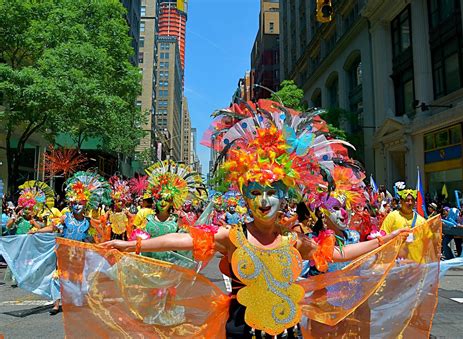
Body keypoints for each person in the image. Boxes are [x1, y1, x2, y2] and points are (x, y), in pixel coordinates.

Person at [102, 100, 410, 337]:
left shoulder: (294, 240)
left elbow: (340, 253)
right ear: (246, 195)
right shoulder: (231, 236)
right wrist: (130, 247)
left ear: (284, 195)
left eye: (271, 192)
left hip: (287, 331)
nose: (264, 200)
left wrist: (386, 240)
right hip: (241, 331)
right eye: (255, 192)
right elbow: (179, 239)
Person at [33, 171, 111, 314]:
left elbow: (91, 238)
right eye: (74, 203)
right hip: (63, 252)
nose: (77, 206)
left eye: (80, 203)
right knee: (58, 276)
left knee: (77, 278)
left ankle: (76, 301)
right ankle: (56, 304)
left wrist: (101, 247)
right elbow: (52, 227)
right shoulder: (66, 217)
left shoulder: (88, 222)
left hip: (79, 255)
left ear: (85, 204)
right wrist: (37, 231)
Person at [381, 182, 427, 262]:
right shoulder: (392, 216)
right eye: (407, 200)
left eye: (412, 200)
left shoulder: (421, 220)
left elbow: (427, 242)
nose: (410, 203)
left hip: (417, 264)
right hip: (398, 264)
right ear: (401, 201)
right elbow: (383, 237)